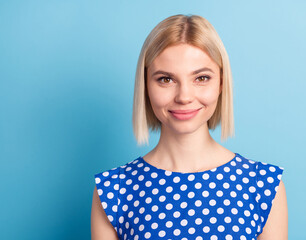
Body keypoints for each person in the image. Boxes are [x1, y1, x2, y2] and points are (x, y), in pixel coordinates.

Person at [91, 14, 288, 240]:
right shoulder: (113, 190)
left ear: (221, 83)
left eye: (201, 78)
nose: (184, 96)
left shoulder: (263, 185)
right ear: (145, 86)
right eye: (166, 79)